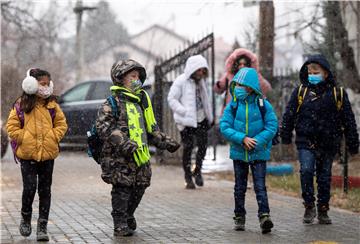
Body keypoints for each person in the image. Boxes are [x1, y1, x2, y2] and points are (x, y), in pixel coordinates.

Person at [96, 59, 180, 236]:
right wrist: (124, 143)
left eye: (138, 77)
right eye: (132, 76)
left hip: (140, 156)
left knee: (140, 187)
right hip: (120, 157)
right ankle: (119, 222)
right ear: (120, 78)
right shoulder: (112, 103)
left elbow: (150, 130)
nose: (137, 80)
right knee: (122, 189)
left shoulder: (141, 103)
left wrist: (166, 141)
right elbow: (105, 128)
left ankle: (128, 214)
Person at [280, 54, 359, 224]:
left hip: (329, 142)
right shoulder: (301, 92)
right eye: (309, 71)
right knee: (306, 171)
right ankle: (309, 205)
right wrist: (285, 136)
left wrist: (353, 144)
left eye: (315, 71)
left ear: (326, 73)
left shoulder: (337, 93)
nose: (312, 74)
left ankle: (323, 208)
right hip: (305, 141)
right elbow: (289, 115)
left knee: (324, 177)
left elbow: (349, 120)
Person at [6, 68, 68, 241]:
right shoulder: (21, 104)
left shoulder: (52, 105)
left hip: (48, 155)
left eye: (48, 84)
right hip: (28, 155)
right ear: (31, 85)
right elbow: (11, 127)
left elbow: (61, 124)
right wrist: (24, 137)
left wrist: (53, 136)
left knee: (45, 190)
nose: (46, 87)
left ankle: (42, 225)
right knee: (30, 188)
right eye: (42, 84)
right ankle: (25, 218)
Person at [220, 67, 278, 234]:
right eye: (236, 84)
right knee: (240, 187)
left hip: (258, 153)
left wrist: (257, 141)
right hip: (239, 153)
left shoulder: (263, 105)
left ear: (251, 87)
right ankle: (239, 216)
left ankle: (264, 216)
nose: (238, 88)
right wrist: (242, 138)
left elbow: (272, 126)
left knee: (260, 186)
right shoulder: (233, 105)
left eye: (241, 85)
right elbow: (224, 126)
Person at [167, 54, 214, 189]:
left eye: (203, 70)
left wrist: (209, 116)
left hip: (201, 118)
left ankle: (197, 171)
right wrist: (183, 111)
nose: (201, 73)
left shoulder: (202, 82)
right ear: (193, 69)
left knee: (203, 146)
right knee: (188, 147)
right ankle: (188, 177)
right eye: (198, 70)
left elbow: (205, 100)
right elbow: (171, 98)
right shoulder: (181, 81)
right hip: (186, 121)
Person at [214, 48, 272, 114]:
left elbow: (265, 89)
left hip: (249, 110)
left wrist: (256, 74)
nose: (242, 66)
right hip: (232, 110)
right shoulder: (229, 75)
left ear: (248, 65)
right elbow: (218, 90)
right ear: (236, 65)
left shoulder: (253, 75)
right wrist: (219, 85)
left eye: (244, 64)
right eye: (240, 64)